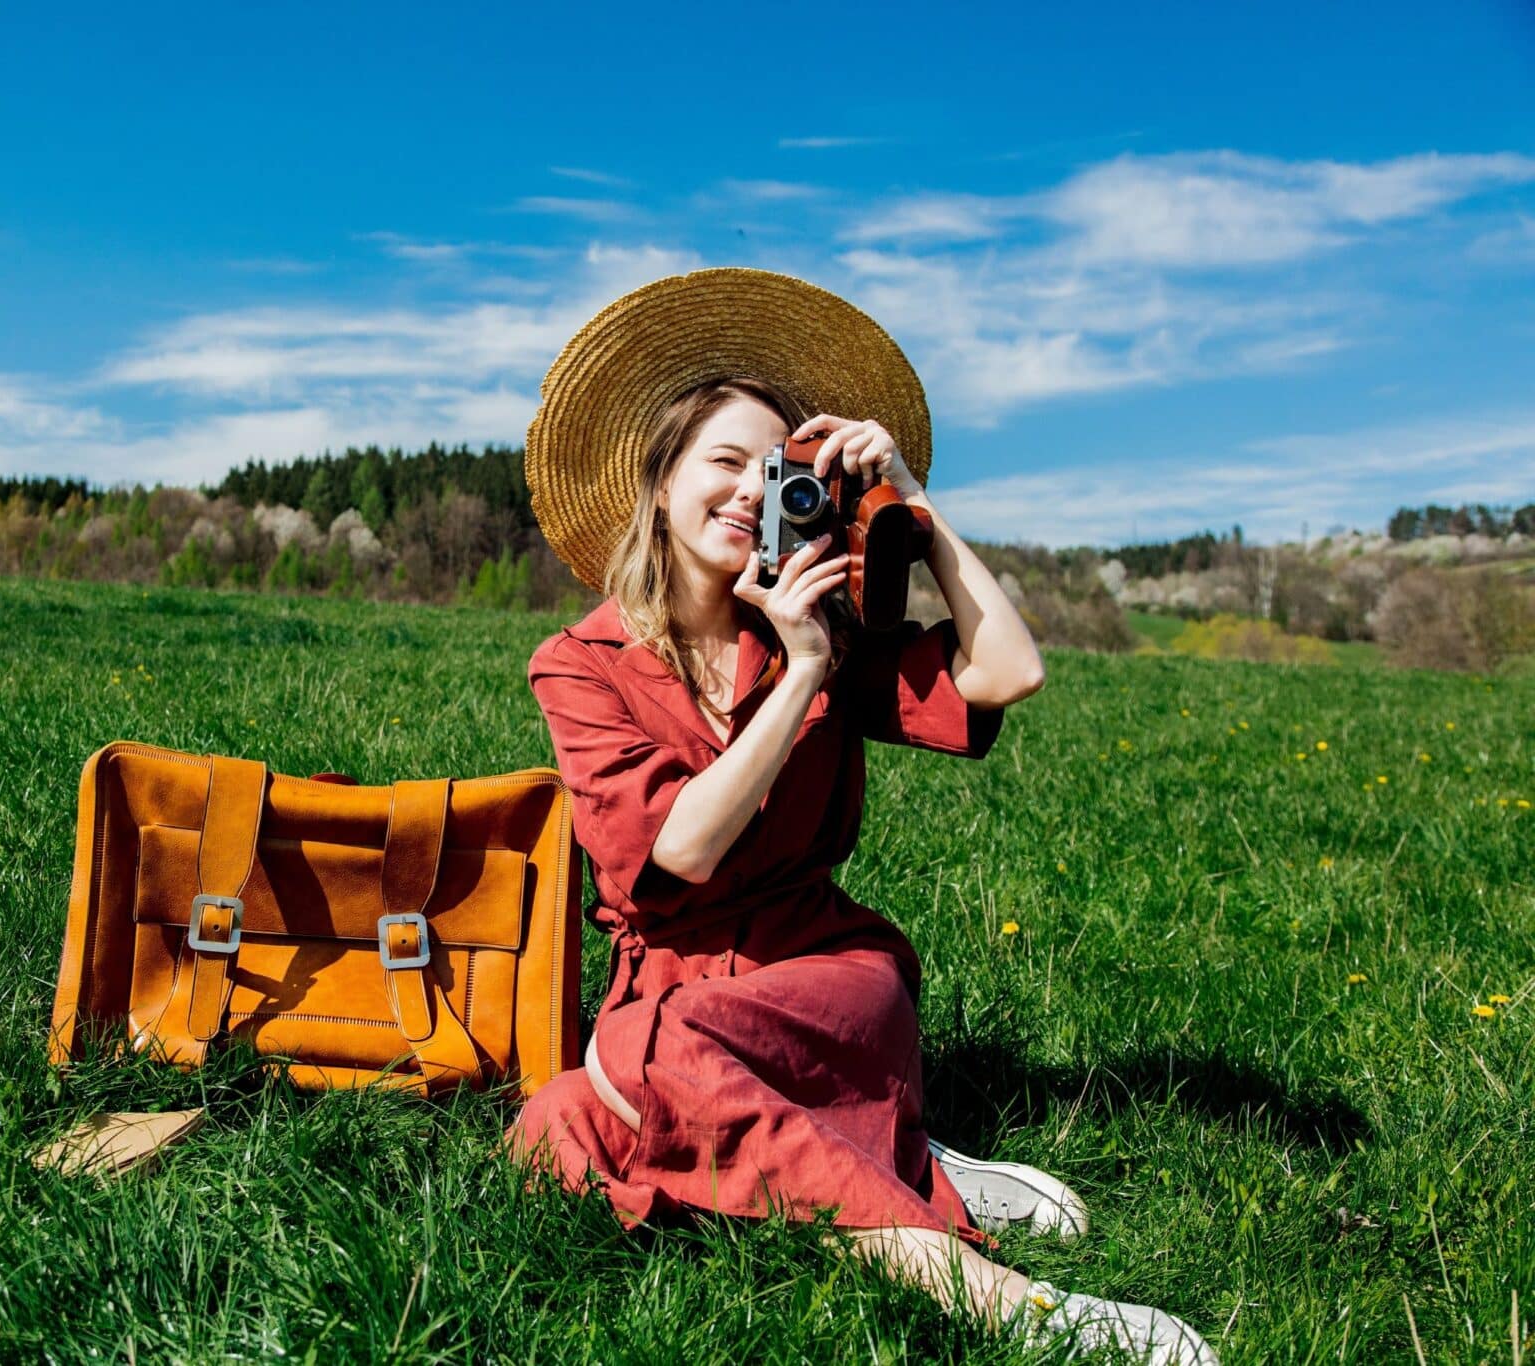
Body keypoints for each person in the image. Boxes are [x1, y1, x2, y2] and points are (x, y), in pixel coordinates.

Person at [507, 270, 1217, 1366]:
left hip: (825, 972)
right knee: (551, 1134)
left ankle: (990, 1292)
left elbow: (1005, 670)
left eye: (779, 468)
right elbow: (678, 850)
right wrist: (798, 678)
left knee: (631, 1067)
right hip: (674, 984)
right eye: (724, 463)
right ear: (657, 485)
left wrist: (913, 511)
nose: (750, 491)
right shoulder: (580, 664)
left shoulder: (826, 631)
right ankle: (890, 1152)